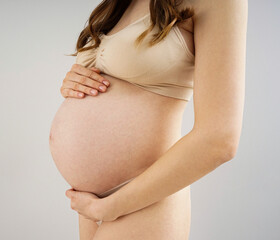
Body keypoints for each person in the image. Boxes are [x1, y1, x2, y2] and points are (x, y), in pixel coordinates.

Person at [55, 0, 248, 239]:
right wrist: (75, 82)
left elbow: (220, 139)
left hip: (143, 198)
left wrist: (111, 207)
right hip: (90, 203)